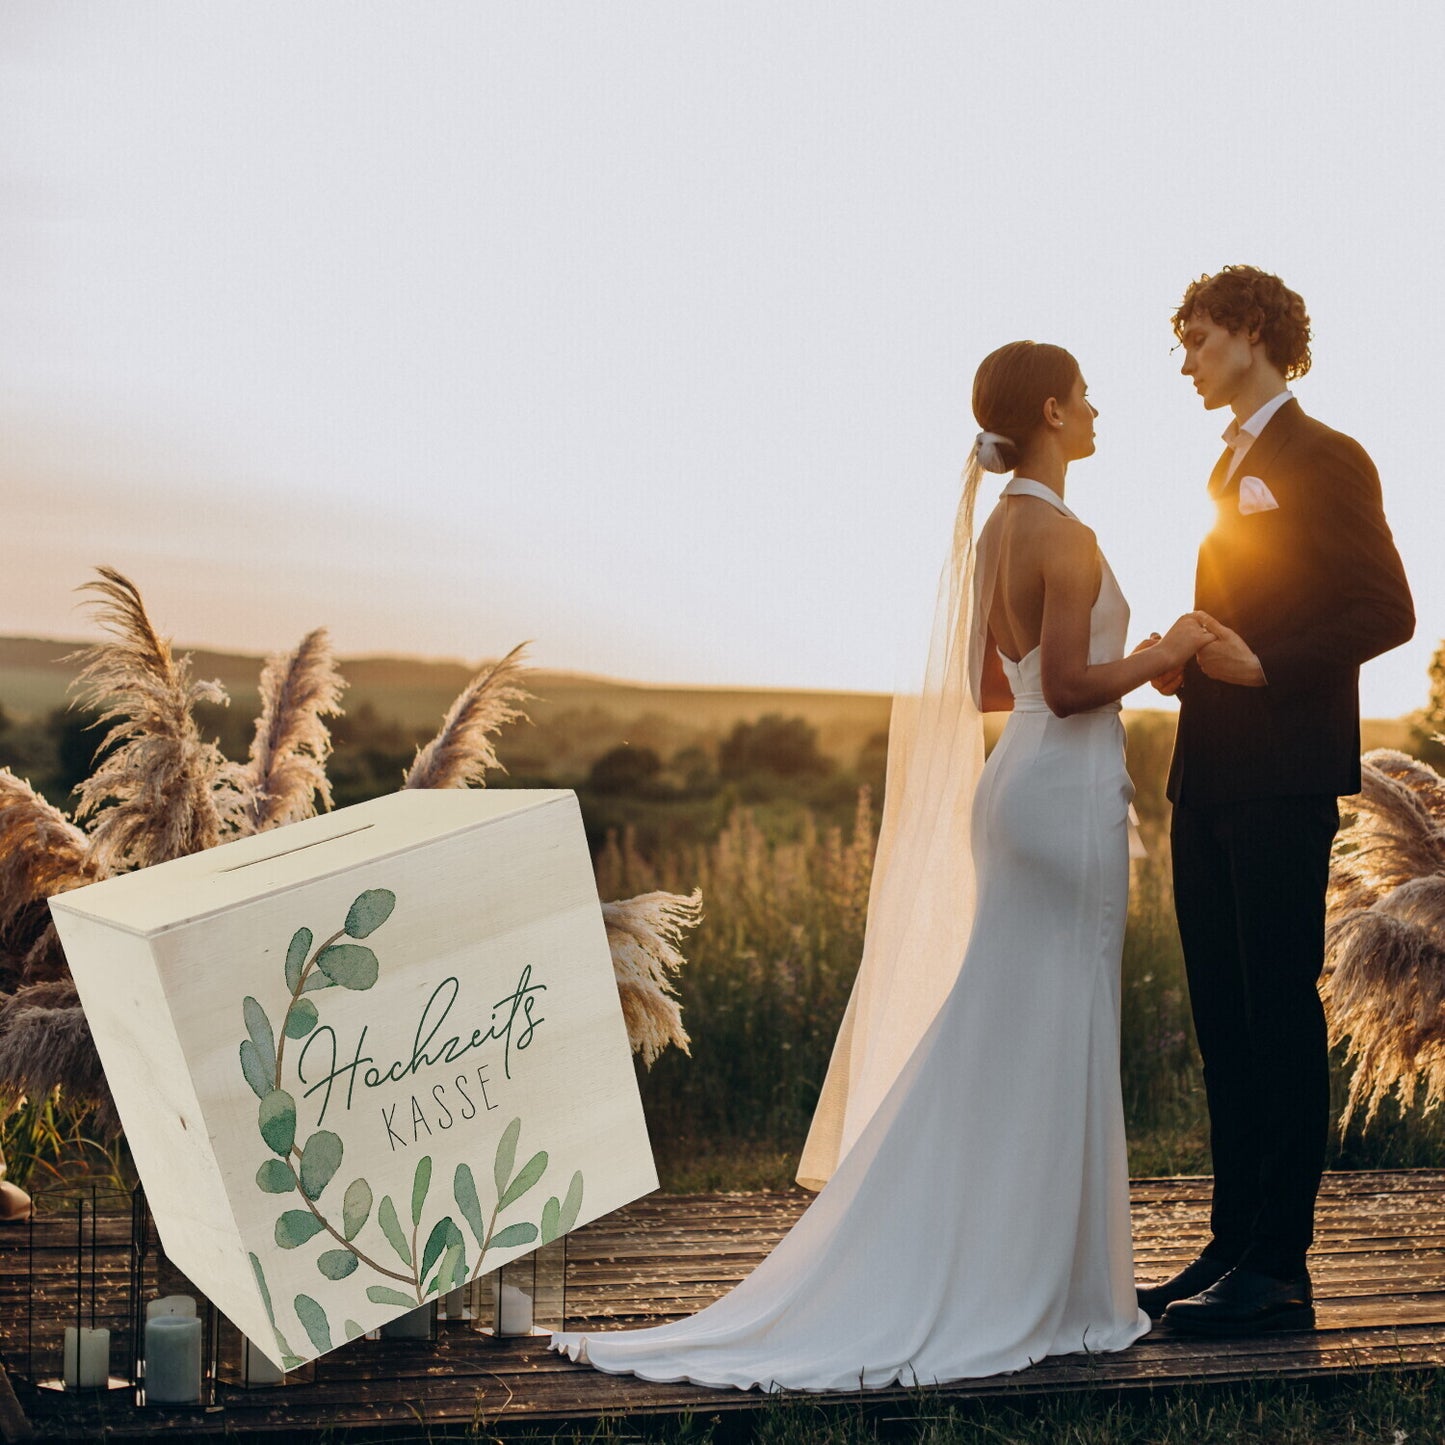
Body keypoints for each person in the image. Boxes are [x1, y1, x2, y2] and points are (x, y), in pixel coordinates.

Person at [550, 342, 1213, 1390]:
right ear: (1049, 407)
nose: (1095, 410)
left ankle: (998, 1256)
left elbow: (989, 688)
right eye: (1082, 394)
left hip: (1014, 792)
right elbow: (1078, 686)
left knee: (1002, 1022)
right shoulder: (1066, 532)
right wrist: (1165, 647)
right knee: (1052, 1027)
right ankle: (1052, 1282)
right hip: (1066, 799)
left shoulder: (998, 530)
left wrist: (1090, 678)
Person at [1138, 267, 1414, 1335]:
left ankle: (1278, 1271)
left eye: (1198, 339)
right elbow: (1248, 596)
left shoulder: (1326, 455)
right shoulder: (1229, 467)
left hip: (1281, 772)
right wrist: (1189, 649)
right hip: (1203, 772)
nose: (1186, 362)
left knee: (1275, 1015)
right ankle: (1228, 1241)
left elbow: (1383, 606)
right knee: (1221, 1017)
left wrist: (1266, 665)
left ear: (1252, 334)